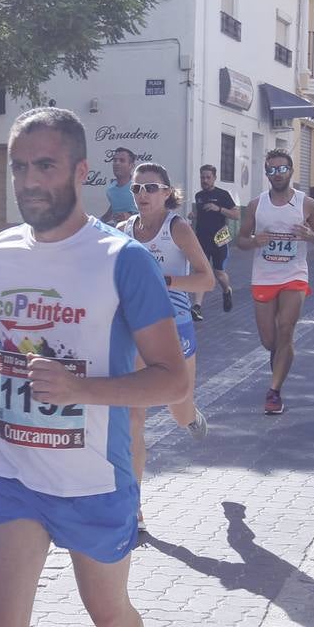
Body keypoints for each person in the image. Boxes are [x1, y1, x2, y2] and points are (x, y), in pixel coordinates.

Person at [0, 107, 189, 627]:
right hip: (14, 475)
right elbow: (1, 327)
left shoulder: (124, 261)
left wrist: (82, 388)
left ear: (81, 172)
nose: (29, 180)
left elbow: (173, 380)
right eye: (20, 167)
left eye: (45, 165)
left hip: (94, 480)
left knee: (108, 616)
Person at [120, 161, 215, 531]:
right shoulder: (123, 231)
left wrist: (163, 280)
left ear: (166, 193)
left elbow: (206, 281)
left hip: (175, 329)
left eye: (150, 188)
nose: (142, 194)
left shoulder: (178, 229)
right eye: (136, 189)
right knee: (132, 417)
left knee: (178, 413)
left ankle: (191, 416)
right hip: (137, 331)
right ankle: (134, 508)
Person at [236, 148, 314, 416]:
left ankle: (274, 392)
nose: (277, 174)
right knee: (270, 341)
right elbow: (240, 241)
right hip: (264, 277)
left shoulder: (306, 204)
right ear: (266, 174)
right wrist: (254, 241)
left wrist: (311, 236)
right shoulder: (257, 205)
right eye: (271, 170)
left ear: (290, 171)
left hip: (294, 274)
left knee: (286, 328)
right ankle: (280, 357)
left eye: (282, 169)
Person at [189, 163, 238, 315]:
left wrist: (219, 209)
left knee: (219, 273)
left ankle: (226, 290)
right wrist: (194, 216)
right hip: (202, 238)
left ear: (214, 178)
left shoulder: (223, 195)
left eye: (208, 177)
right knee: (201, 271)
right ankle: (197, 307)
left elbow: (236, 215)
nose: (205, 180)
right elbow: (200, 214)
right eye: (202, 177)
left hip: (220, 238)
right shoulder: (199, 196)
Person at [101, 147, 137, 225]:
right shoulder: (110, 190)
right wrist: (98, 221)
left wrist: (131, 217)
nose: (117, 163)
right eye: (115, 160)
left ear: (132, 165)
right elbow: (114, 207)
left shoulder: (139, 187)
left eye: (122, 160)